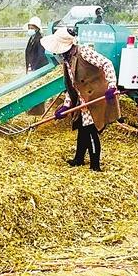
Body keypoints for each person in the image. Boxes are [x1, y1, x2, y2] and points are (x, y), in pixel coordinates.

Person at [41, 26, 120, 172]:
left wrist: (112, 85)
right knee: (82, 128)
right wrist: (66, 106)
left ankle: (95, 166)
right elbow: (72, 86)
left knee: (90, 129)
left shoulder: (83, 52)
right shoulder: (67, 60)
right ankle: (78, 159)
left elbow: (106, 63)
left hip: (95, 96)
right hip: (82, 98)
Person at [24, 16, 48, 115]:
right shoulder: (32, 38)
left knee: (38, 88)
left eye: (32, 27)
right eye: (29, 27)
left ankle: (38, 110)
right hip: (32, 67)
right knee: (32, 88)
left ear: (37, 28)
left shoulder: (40, 39)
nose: (30, 29)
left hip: (39, 68)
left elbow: (41, 55)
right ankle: (33, 108)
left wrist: (35, 69)